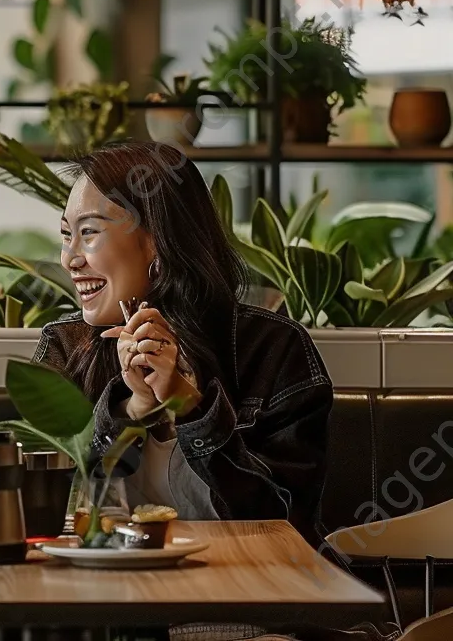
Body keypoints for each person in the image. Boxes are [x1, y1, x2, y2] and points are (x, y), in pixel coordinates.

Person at [34, 141, 333, 545]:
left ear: (157, 239)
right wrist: (128, 410)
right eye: (67, 235)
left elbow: (281, 520)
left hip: (248, 592)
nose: (70, 259)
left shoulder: (274, 349)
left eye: (89, 233)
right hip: (104, 594)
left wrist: (191, 407)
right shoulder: (66, 347)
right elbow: (46, 513)